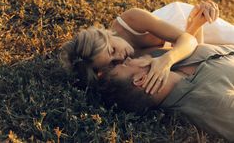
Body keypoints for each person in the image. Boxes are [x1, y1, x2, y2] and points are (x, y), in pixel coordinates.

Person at [59, 0, 220, 93]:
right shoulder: (131, 66)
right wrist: (198, 25)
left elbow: (186, 41)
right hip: (192, 35)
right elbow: (197, 53)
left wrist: (167, 60)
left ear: (106, 34)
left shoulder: (131, 20)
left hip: (182, 20)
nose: (121, 57)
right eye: (113, 63)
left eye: (113, 50)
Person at [98, 43, 234, 141]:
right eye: (125, 65)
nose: (127, 59)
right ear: (141, 80)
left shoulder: (163, 59)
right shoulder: (213, 103)